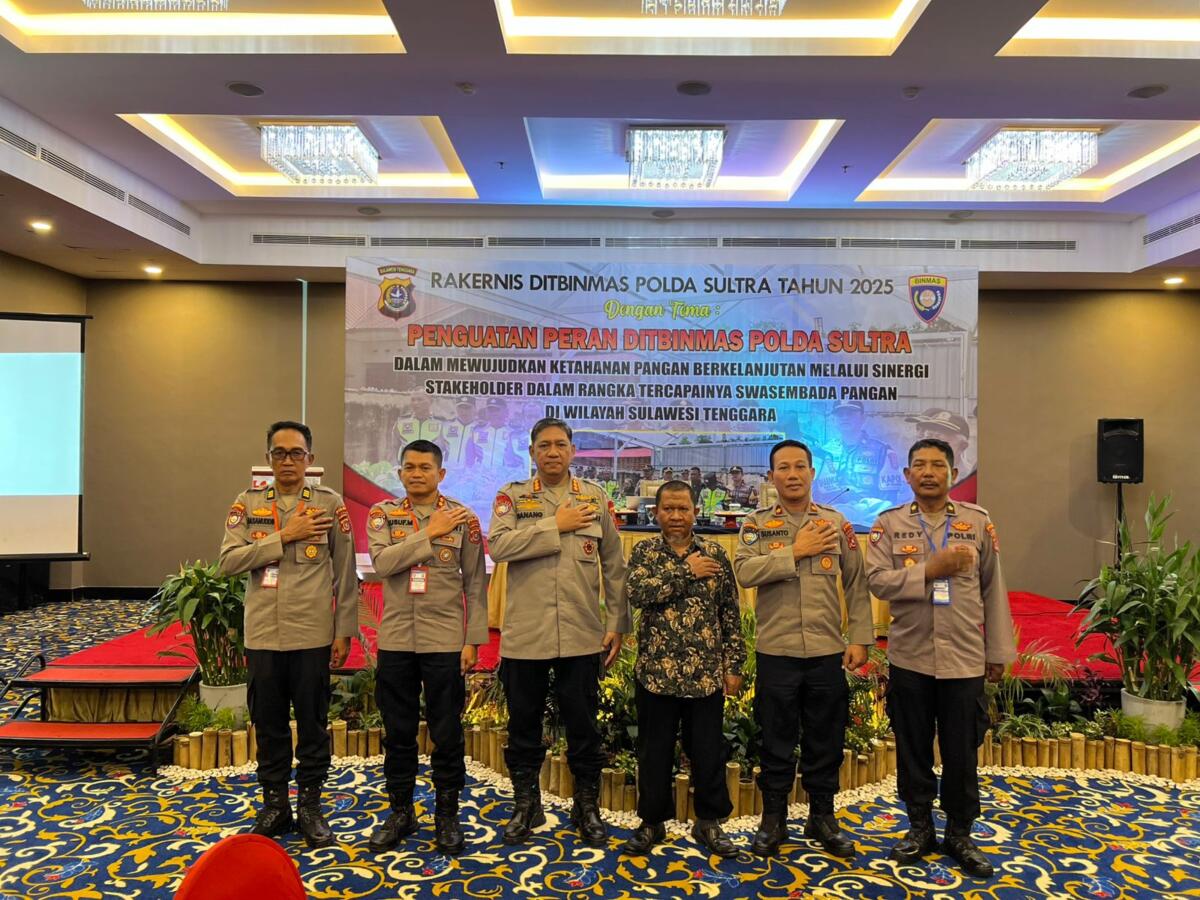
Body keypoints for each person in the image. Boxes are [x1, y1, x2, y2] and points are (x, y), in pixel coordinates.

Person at [865, 438, 1015, 879]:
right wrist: (931, 570)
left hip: (964, 658)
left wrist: (998, 651)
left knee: (961, 751)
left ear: (953, 473)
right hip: (910, 657)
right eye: (919, 465)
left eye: (937, 465)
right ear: (907, 475)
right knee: (912, 748)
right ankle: (920, 827)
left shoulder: (977, 522)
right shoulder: (888, 524)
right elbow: (878, 581)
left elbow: (994, 588)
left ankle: (960, 833)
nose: (928, 472)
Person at [488, 418, 628, 847]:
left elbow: (614, 565)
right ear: (532, 451)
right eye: (544, 445)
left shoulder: (594, 498)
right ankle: (526, 803)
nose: (553, 452)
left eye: (561, 444)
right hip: (526, 635)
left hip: (582, 633)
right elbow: (499, 546)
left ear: (572, 451)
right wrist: (555, 525)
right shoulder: (512, 497)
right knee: (524, 725)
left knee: (584, 726)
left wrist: (617, 622)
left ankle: (586, 806)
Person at [218, 421, 357, 848]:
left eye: (296, 453)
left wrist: (344, 631)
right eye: (279, 453)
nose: (288, 461)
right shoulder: (248, 503)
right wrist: (285, 536)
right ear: (269, 459)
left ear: (310, 459)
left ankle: (311, 807)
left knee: (313, 725)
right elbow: (228, 562)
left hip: (311, 633)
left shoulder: (330, 504)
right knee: (269, 723)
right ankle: (276, 805)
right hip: (263, 633)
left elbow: (346, 573)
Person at [733, 439, 873, 859]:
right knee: (775, 740)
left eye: (799, 467)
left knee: (825, 739)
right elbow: (744, 571)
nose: (792, 475)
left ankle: (822, 817)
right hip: (777, 651)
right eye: (783, 468)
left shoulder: (835, 522)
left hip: (826, 651)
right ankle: (773, 818)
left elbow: (856, 582)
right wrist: (795, 552)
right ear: (771, 476)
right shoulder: (757, 524)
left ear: (812, 473)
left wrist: (860, 637)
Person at [365, 439, 487, 856]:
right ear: (399, 472)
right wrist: (429, 533)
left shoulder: (463, 519)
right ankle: (401, 812)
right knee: (398, 732)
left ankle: (447, 814)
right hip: (397, 639)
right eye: (410, 467)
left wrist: (472, 639)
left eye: (425, 467)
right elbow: (382, 564)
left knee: (447, 732)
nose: (416, 474)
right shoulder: (383, 514)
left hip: (445, 639)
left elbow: (475, 583)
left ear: (441, 474)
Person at [622, 480, 746, 859]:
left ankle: (709, 821)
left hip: (705, 675)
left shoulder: (715, 553)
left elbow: (729, 612)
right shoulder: (644, 551)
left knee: (708, 752)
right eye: (668, 509)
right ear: (655, 512)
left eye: (683, 509)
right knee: (653, 753)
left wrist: (734, 664)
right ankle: (651, 821)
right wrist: (686, 572)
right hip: (655, 675)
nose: (676, 516)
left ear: (695, 512)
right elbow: (637, 593)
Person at [816, 401, 905, 510]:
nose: (845, 417)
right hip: (830, 515)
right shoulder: (825, 451)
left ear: (863, 418)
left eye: (850, 413)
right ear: (834, 419)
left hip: (868, 516)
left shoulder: (882, 451)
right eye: (840, 414)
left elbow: (889, 496)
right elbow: (816, 491)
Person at [441, 396, 477, 468]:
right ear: (456, 409)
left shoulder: (479, 428)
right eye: (460, 408)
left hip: (470, 471)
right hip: (449, 469)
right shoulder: (446, 426)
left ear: (474, 409)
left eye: (468, 408)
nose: (464, 411)